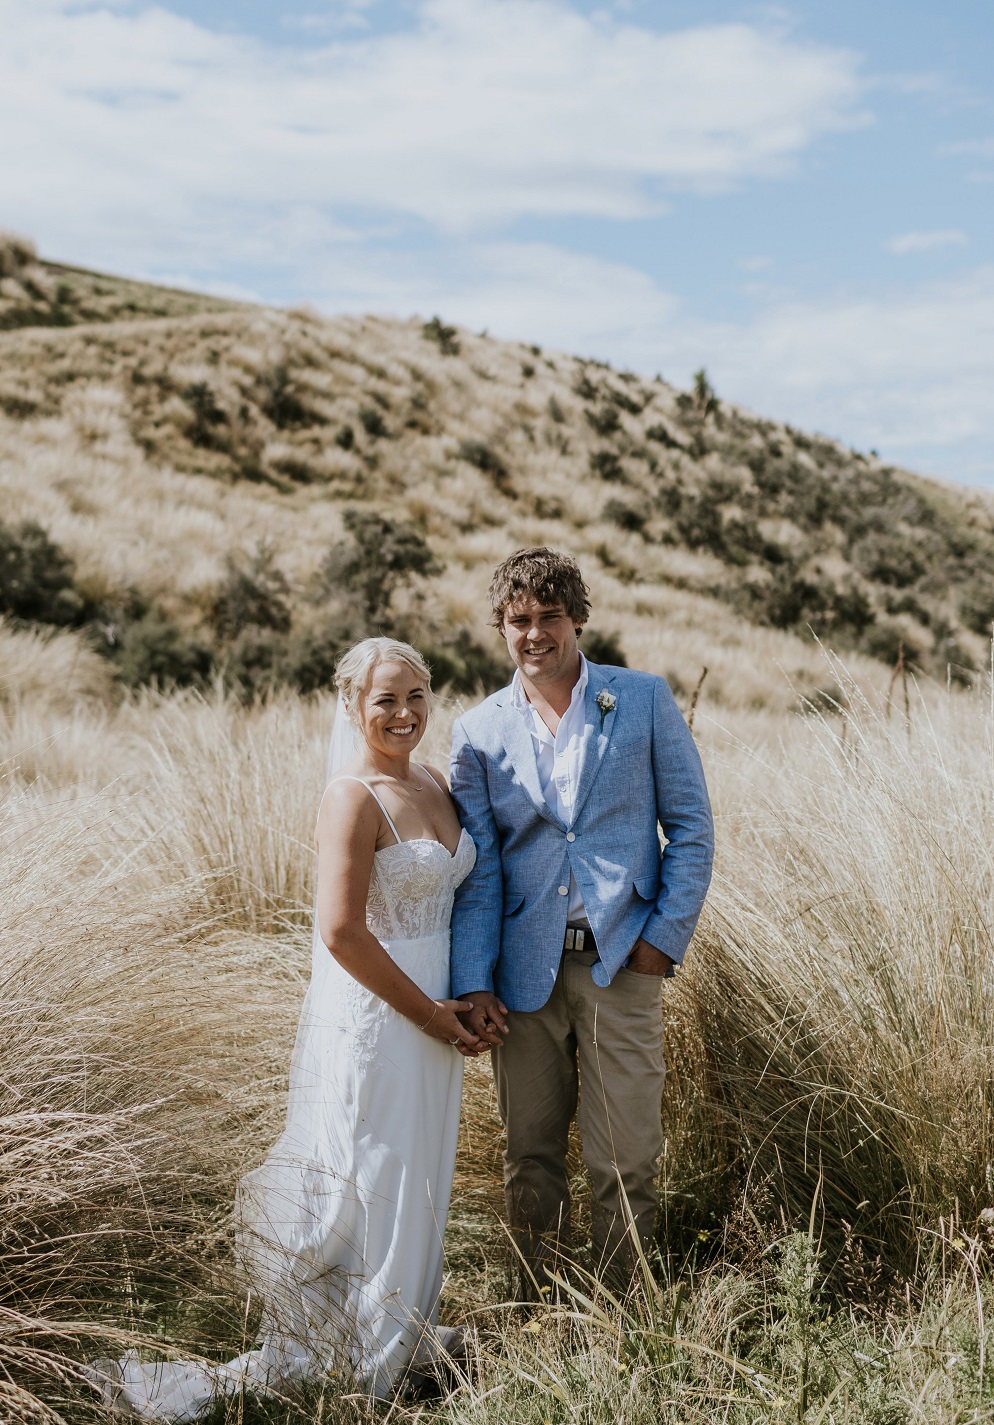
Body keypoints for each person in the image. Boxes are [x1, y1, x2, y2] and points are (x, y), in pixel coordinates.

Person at [89, 637, 478, 1419]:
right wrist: (431, 1012)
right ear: (351, 707)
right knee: (373, 1174)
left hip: (441, 1012)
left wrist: (465, 997)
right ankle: (352, 1346)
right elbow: (341, 932)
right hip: (387, 1017)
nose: (403, 714)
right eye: (384, 701)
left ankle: (403, 1325)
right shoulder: (352, 796)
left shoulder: (436, 780)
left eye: (415, 696)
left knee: (420, 1171)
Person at [449, 548, 714, 1288]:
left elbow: (691, 827)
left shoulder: (643, 699)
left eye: (549, 617)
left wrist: (661, 941)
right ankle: (534, 1306)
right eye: (518, 619)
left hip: (622, 963)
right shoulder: (476, 730)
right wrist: (473, 980)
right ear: (502, 627)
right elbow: (479, 871)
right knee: (528, 1154)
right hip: (520, 979)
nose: (534, 633)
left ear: (577, 618)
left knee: (626, 1155)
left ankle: (625, 1314)